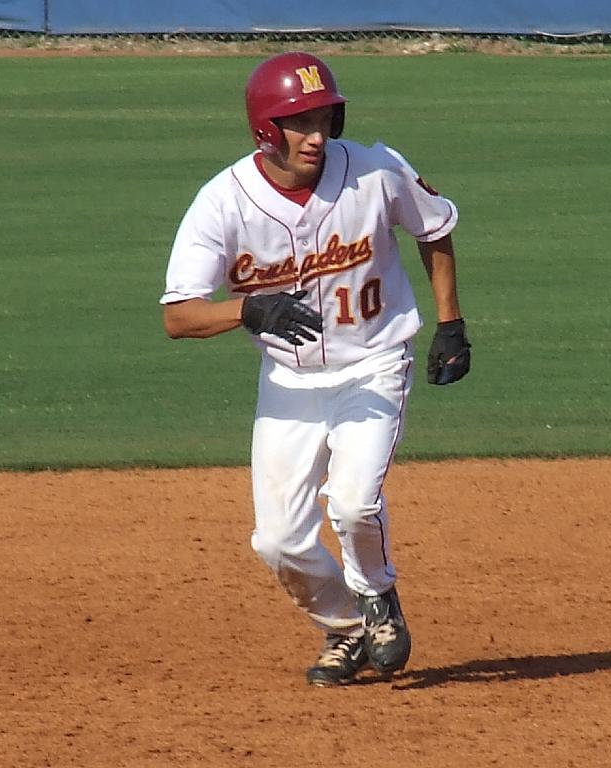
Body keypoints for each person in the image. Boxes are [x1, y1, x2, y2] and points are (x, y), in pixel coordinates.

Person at [160, 51, 471, 686]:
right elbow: (179, 316)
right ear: (265, 131)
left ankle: (377, 596)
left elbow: (434, 227)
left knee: (355, 505)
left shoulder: (376, 171)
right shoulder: (222, 203)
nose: (316, 135)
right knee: (277, 543)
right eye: (299, 122)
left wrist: (451, 323)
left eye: (324, 118)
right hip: (290, 384)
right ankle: (347, 627)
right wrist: (248, 310)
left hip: (375, 363)